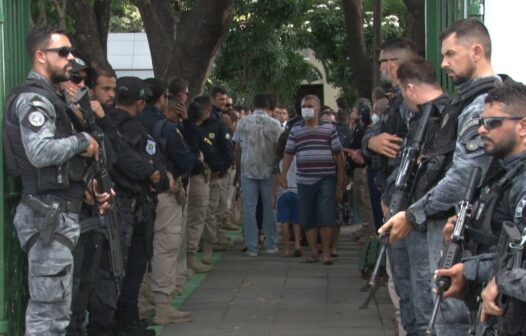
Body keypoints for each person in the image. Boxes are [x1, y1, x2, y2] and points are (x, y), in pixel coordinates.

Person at [380, 18, 506, 336]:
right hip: (458, 225)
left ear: (476, 51)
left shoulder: (482, 105)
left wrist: (413, 212)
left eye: (451, 54)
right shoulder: (466, 101)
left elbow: (464, 176)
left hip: (470, 229)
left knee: (452, 317)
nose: (445, 63)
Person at [3, 26, 100, 335]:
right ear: (40, 56)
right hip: (47, 215)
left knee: (57, 314)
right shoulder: (35, 100)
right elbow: (41, 151)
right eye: (63, 52)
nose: (70, 58)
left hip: (56, 214)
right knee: (47, 317)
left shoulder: (52, 98)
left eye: (71, 51)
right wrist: (83, 141)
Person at [432, 84, 526, 335]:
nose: (482, 129)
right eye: (482, 122)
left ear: (523, 126)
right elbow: (502, 245)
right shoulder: (501, 172)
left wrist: (488, 275)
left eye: (493, 122)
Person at [361, 37, 419, 336]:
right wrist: (371, 141)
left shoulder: (415, 101)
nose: (381, 67)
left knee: (409, 283)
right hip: (393, 199)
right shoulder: (395, 102)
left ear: (392, 63)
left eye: (383, 61)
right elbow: (372, 135)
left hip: (409, 204)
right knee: (400, 280)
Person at [109, 76, 170, 336]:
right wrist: (151, 173)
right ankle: (126, 323)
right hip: (132, 208)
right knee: (132, 268)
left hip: (118, 206)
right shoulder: (134, 129)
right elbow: (153, 169)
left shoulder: (105, 124)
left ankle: (125, 321)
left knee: (117, 270)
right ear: (140, 102)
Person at [138, 77, 193, 325]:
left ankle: (141, 302)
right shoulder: (167, 127)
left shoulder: (129, 122)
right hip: (164, 193)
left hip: (135, 194)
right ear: (163, 98)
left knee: (139, 250)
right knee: (165, 248)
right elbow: (186, 161)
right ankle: (162, 305)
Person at [280, 94, 344, 265]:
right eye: (303, 106)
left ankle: (326, 253)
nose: (306, 109)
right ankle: (314, 253)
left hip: (326, 178)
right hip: (304, 180)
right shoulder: (296, 130)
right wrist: (284, 174)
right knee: (307, 217)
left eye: (309, 106)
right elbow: (288, 153)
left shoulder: (329, 128)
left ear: (318, 108)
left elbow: (338, 155)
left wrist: (340, 181)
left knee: (325, 215)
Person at [233, 94, 283, 256]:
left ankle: (252, 246)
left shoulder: (243, 122)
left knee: (249, 209)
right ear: (268, 107)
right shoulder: (275, 124)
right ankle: (270, 244)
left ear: (253, 105)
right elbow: (278, 149)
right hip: (269, 170)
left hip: (248, 169)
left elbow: (237, 148)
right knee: (270, 207)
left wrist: (238, 170)